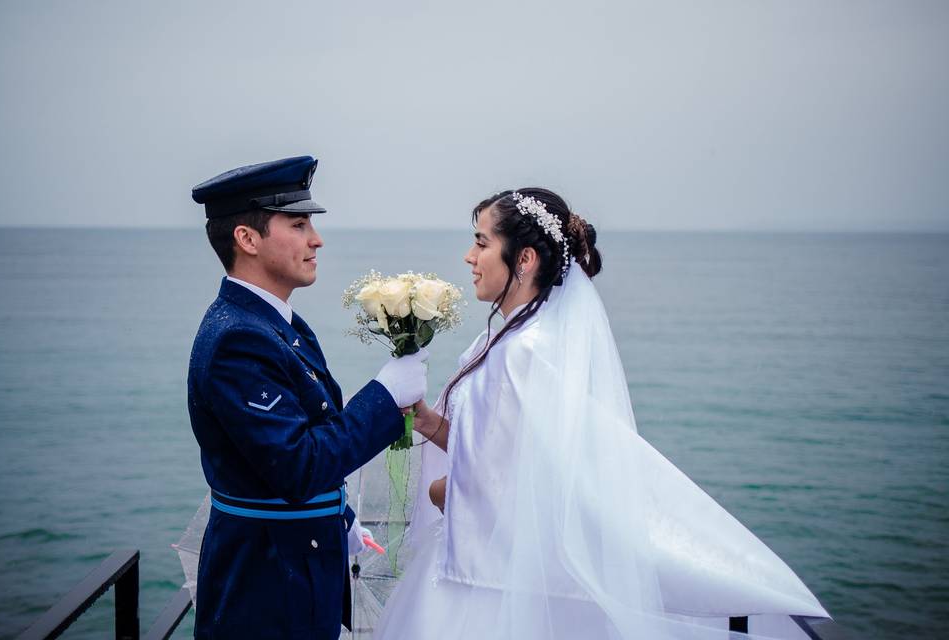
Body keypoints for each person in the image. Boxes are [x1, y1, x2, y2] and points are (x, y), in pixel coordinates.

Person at [374, 188, 830, 639]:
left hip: (486, 587)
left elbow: (512, 481)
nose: (469, 257)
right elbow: (493, 444)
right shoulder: (508, 339)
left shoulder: (525, 353)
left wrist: (438, 491)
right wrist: (429, 422)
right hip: (481, 565)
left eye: (481, 242)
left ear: (525, 259)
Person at [187, 155, 428, 639]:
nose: (315, 239)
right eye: (298, 225)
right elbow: (301, 465)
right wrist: (384, 395)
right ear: (247, 238)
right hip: (266, 592)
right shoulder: (239, 339)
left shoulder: (277, 323)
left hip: (296, 571)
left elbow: (301, 438)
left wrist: (338, 513)